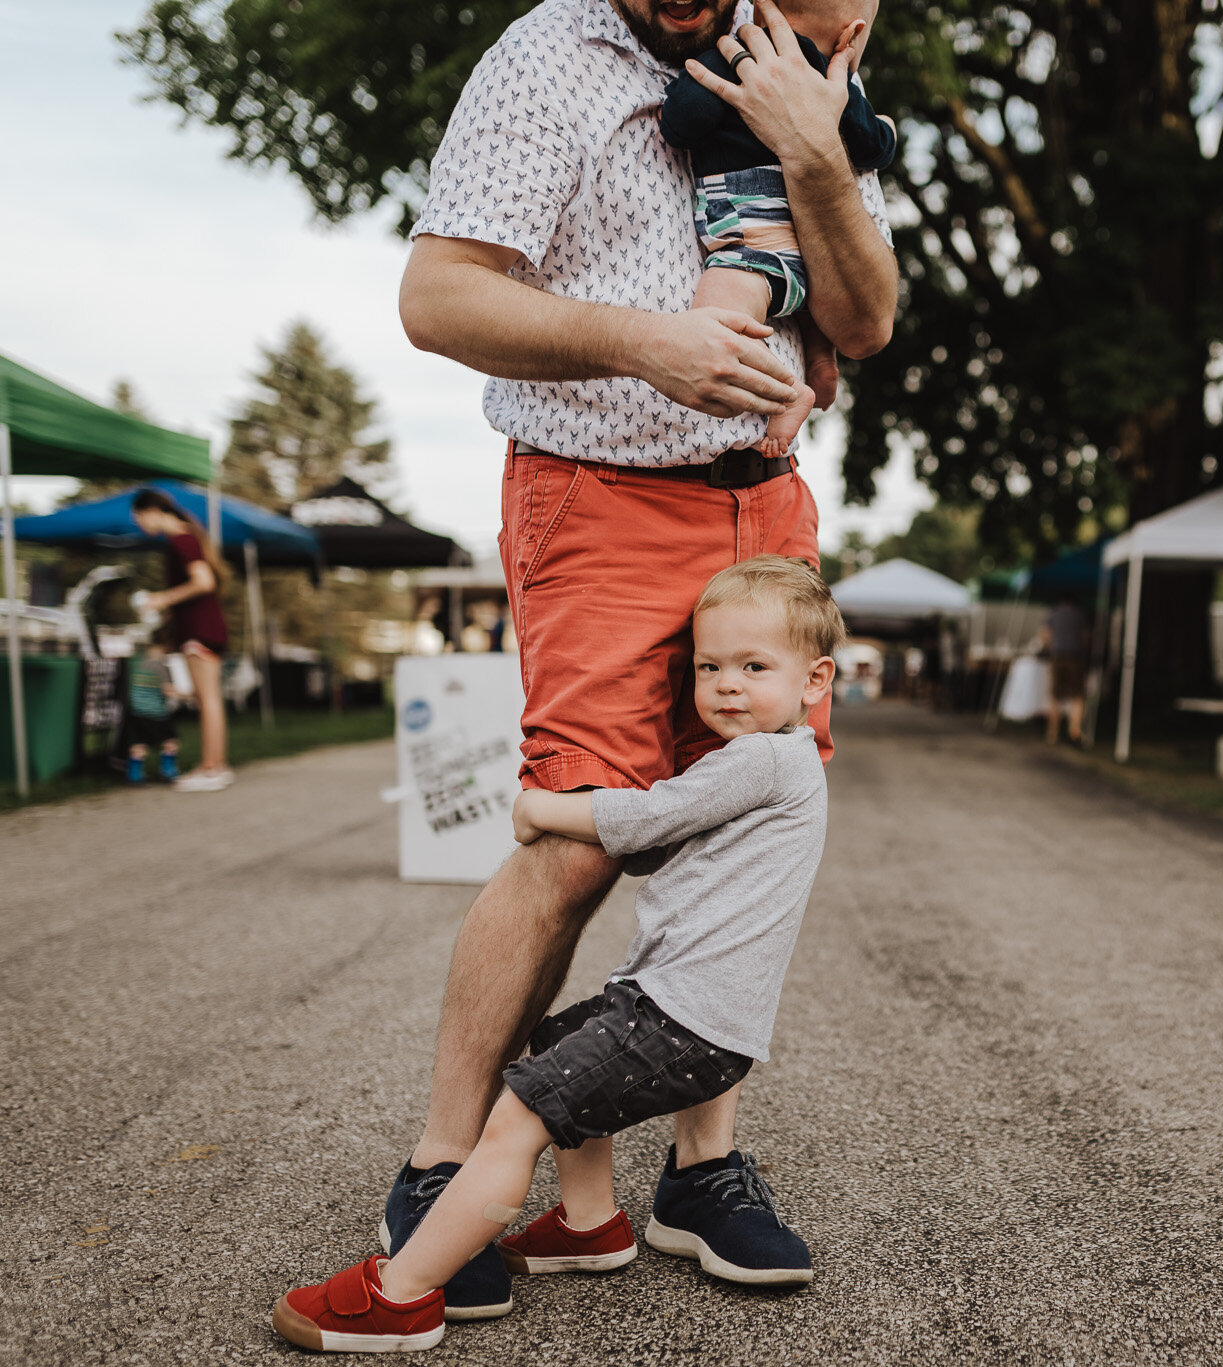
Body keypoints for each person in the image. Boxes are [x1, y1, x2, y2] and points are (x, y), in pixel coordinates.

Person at [387, 0, 896, 1317]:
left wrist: (820, 149)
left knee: (745, 821)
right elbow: (435, 297)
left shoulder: (792, 42)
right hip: (602, 489)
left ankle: (700, 1170)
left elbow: (865, 318)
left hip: (764, 496)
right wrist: (644, 339)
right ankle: (444, 1162)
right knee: (570, 846)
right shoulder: (552, 55)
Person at [272, 557, 841, 1353]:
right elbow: (670, 842)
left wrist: (541, 806)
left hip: (679, 1019)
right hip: (710, 1028)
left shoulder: (762, 759)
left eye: (754, 667)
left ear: (816, 681)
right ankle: (586, 1224)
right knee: (559, 1039)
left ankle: (396, 1297)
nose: (727, 686)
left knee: (517, 1119)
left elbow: (646, 820)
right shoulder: (777, 768)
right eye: (709, 667)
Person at [661, 0, 895, 460]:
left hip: (752, 245)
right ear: (851, 37)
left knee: (718, 320)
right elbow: (873, 147)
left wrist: (693, 86)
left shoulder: (736, 59)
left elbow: (683, 123)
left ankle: (789, 393)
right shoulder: (837, 83)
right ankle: (820, 360)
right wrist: (887, 129)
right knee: (810, 306)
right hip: (811, 248)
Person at [131, 489, 233, 791]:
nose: (139, 525)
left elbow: (203, 582)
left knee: (207, 699)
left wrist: (162, 599)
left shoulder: (181, 540)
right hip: (205, 628)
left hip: (199, 631)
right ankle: (217, 766)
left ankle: (211, 769)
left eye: (138, 518)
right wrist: (168, 611)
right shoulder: (190, 537)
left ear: (151, 510)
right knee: (209, 699)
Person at [120, 630, 184, 784]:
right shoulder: (160, 666)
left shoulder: (137, 662)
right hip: (156, 713)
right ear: (168, 645)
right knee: (170, 742)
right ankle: (168, 771)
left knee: (139, 744)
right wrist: (190, 695)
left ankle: (134, 775)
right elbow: (168, 691)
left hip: (136, 712)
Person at [1041, 593, 1089, 744]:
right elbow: (1086, 636)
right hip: (1076, 657)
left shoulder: (1053, 613)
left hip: (1057, 656)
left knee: (1055, 694)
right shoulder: (1080, 615)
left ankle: (1052, 732)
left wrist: (1051, 647)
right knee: (1077, 694)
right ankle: (1075, 729)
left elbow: (1044, 635)